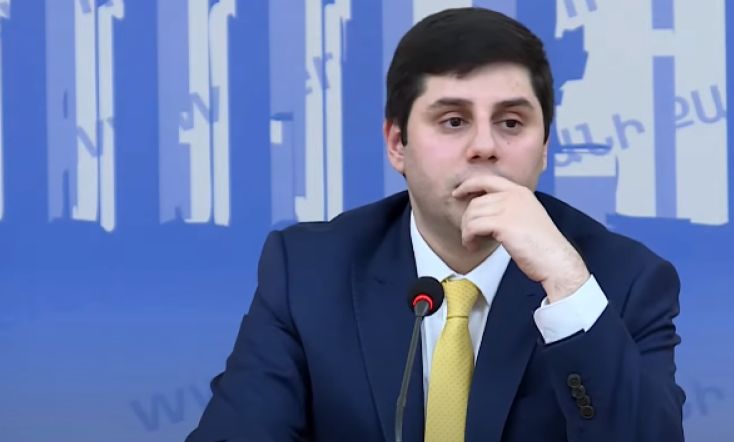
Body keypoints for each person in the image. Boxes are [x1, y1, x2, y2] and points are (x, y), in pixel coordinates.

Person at [188, 7, 684, 442]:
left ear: (544, 148)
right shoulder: (310, 271)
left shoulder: (621, 283)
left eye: (511, 123)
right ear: (397, 144)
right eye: (453, 121)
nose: (484, 147)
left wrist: (566, 287)